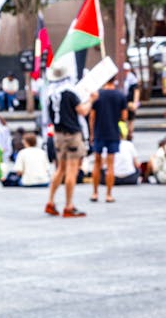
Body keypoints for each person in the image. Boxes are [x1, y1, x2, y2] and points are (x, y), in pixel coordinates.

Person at [44, 63, 97, 217]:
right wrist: (91, 100)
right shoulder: (69, 93)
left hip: (58, 135)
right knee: (71, 171)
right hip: (72, 135)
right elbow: (83, 111)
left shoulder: (50, 95)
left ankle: (51, 201)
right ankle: (69, 205)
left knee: (60, 168)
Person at [88, 75, 128, 203]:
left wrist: (91, 133)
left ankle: (95, 193)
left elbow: (92, 117)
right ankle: (109, 194)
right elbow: (124, 117)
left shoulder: (97, 95)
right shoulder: (120, 96)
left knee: (97, 163)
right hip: (113, 132)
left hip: (99, 131)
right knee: (110, 165)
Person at [123, 62, 140, 139]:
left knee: (130, 119)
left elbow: (136, 91)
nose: (125, 72)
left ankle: (130, 134)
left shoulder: (132, 78)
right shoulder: (121, 78)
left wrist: (135, 103)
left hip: (130, 101)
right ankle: (124, 133)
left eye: (127, 70)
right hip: (123, 101)